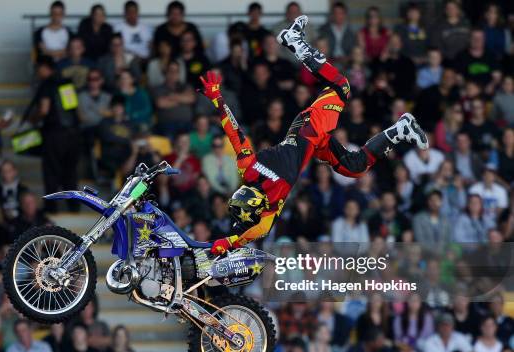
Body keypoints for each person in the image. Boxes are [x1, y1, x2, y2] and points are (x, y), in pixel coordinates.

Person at [202, 16, 428, 255]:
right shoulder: (250, 173)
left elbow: (236, 135)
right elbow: (236, 135)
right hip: (310, 139)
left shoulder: (265, 199)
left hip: (309, 131)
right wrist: (217, 99)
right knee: (354, 167)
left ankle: (295, 41)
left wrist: (218, 100)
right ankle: (401, 129)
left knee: (342, 87)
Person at [33, 56, 79, 213]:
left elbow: (44, 110)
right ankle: (74, 207)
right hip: (72, 135)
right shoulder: (65, 83)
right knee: (70, 172)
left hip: (54, 134)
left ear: (45, 68)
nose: (37, 73)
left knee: (51, 172)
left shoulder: (46, 84)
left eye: (38, 69)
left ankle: (51, 208)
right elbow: (72, 109)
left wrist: (34, 119)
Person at [152, 61, 195, 137]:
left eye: (176, 71)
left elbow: (191, 99)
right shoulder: (158, 88)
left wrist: (172, 97)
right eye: (171, 71)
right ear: (166, 72)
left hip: (187, 124)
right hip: (168, 125)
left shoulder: (186, 86)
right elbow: (161, 103)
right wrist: (182, 99)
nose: (174, 74)